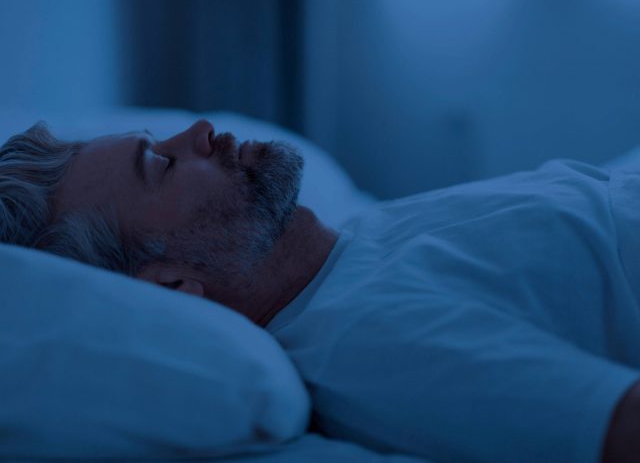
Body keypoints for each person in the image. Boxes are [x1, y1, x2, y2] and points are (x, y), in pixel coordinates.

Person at [0, 120, 639, 463]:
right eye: (161, 163)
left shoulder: (350, 245)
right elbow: (618, 427)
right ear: (170, 284)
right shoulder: (370, 345)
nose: (198, 130)